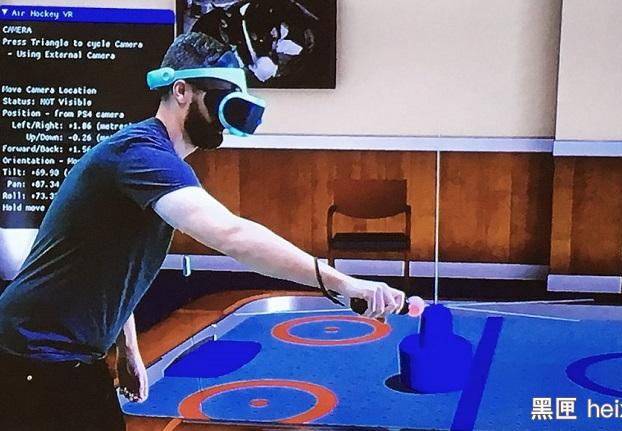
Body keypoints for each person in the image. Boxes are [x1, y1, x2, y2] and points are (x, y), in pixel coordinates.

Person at [0, 32, 405, 431]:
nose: (228, 115)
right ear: (181, 91)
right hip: (37, 353)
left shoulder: (157, 162)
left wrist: (128, 348)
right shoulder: (141, 155)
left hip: (56, 351)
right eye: (221, 97)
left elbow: (108, 261)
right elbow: (232, 236)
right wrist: (343, 283)